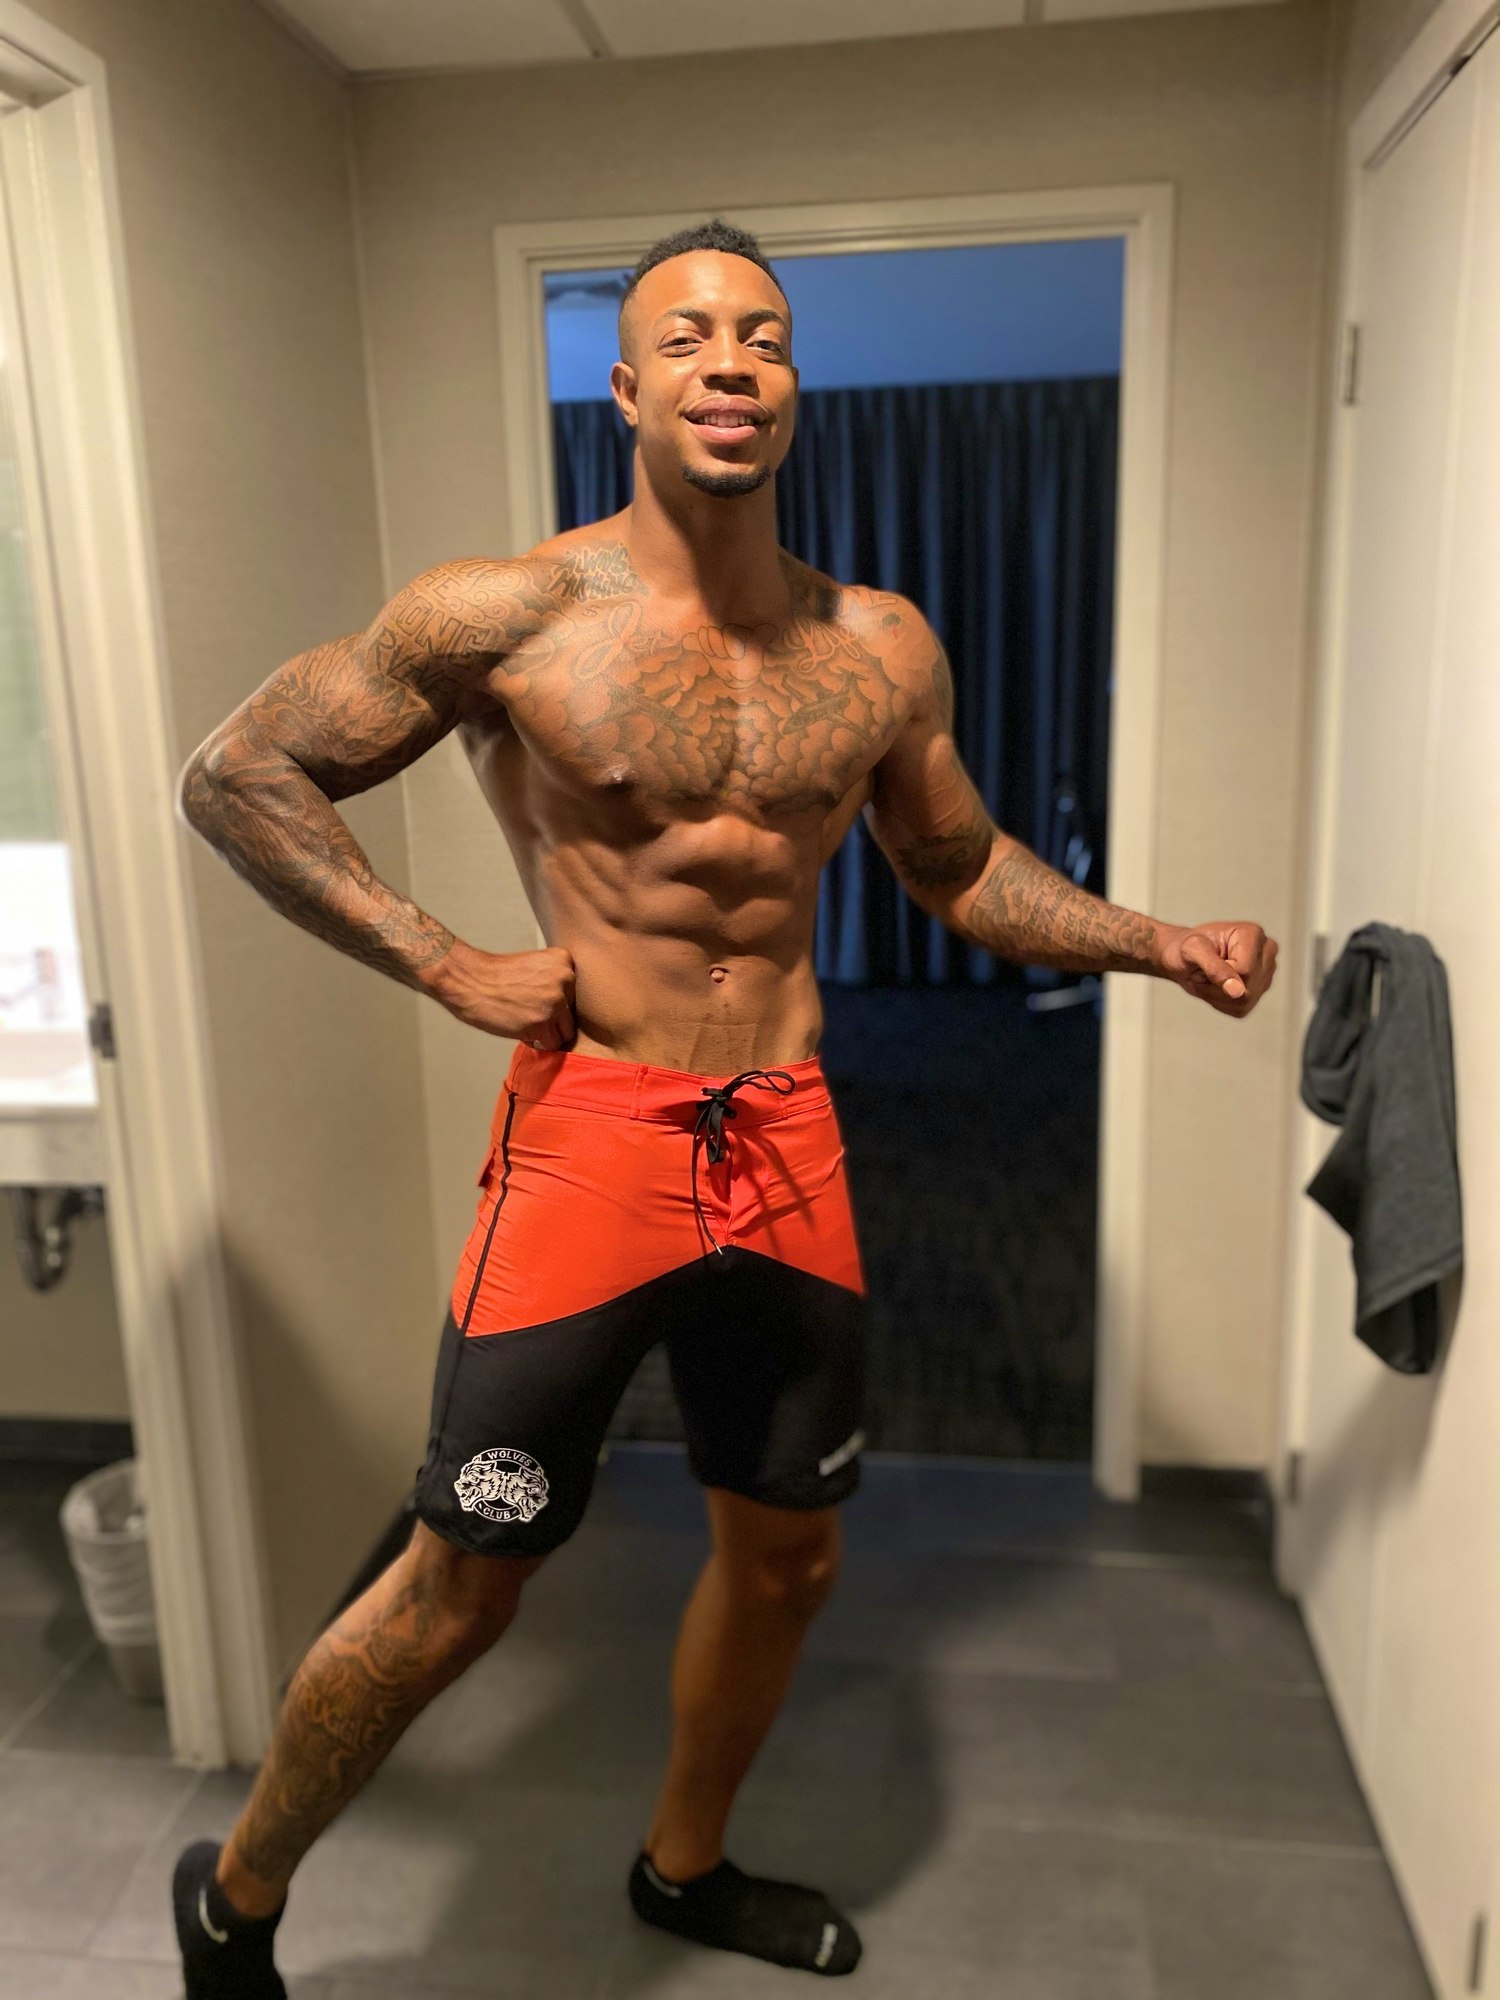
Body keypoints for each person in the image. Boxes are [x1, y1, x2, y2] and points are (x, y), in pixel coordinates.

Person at [170, 216, 1278, 1997]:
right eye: (687, 338)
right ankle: (237, 1896)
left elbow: (956, 865)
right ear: (628, 387)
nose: (729, 362)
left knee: (788, 1565)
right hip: (591, 1142)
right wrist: (440, 959)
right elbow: (241, 772)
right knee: (464, 1586)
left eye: (760, 334)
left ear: (793, 383)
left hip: (788, 1143)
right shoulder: (506, 615)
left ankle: (682, 1868)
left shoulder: (880, 646)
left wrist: (1158, 940)